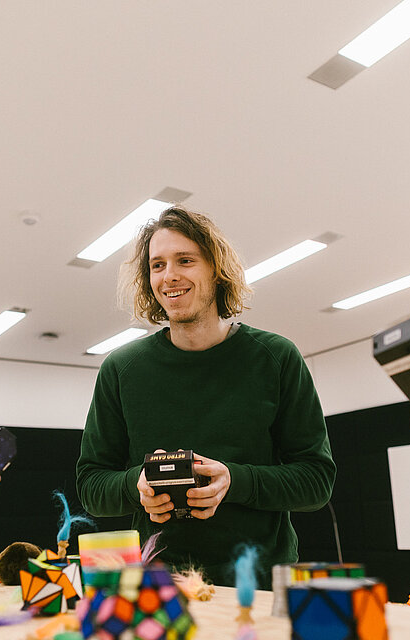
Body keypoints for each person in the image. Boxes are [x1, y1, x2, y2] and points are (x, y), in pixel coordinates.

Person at [75, 206, 336, 587]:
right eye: (157, 265)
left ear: (216, 270)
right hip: (160, 588)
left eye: (185, 260)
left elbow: (316, 480)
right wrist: (138, 485)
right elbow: (91, 485)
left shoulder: (277, 358)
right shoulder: (121, 369)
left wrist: (235, 481)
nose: (170, 276)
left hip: (261, 584)